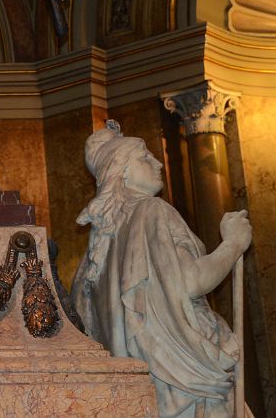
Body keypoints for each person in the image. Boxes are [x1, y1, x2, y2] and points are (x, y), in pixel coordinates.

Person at [72, 120, 251, 418]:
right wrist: (233, 244)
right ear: (122, 171)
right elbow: (191, 281)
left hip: (143, 396)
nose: (156, 163)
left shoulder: (94, 255)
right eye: (144, 157)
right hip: (187, 384)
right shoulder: (152, 211)